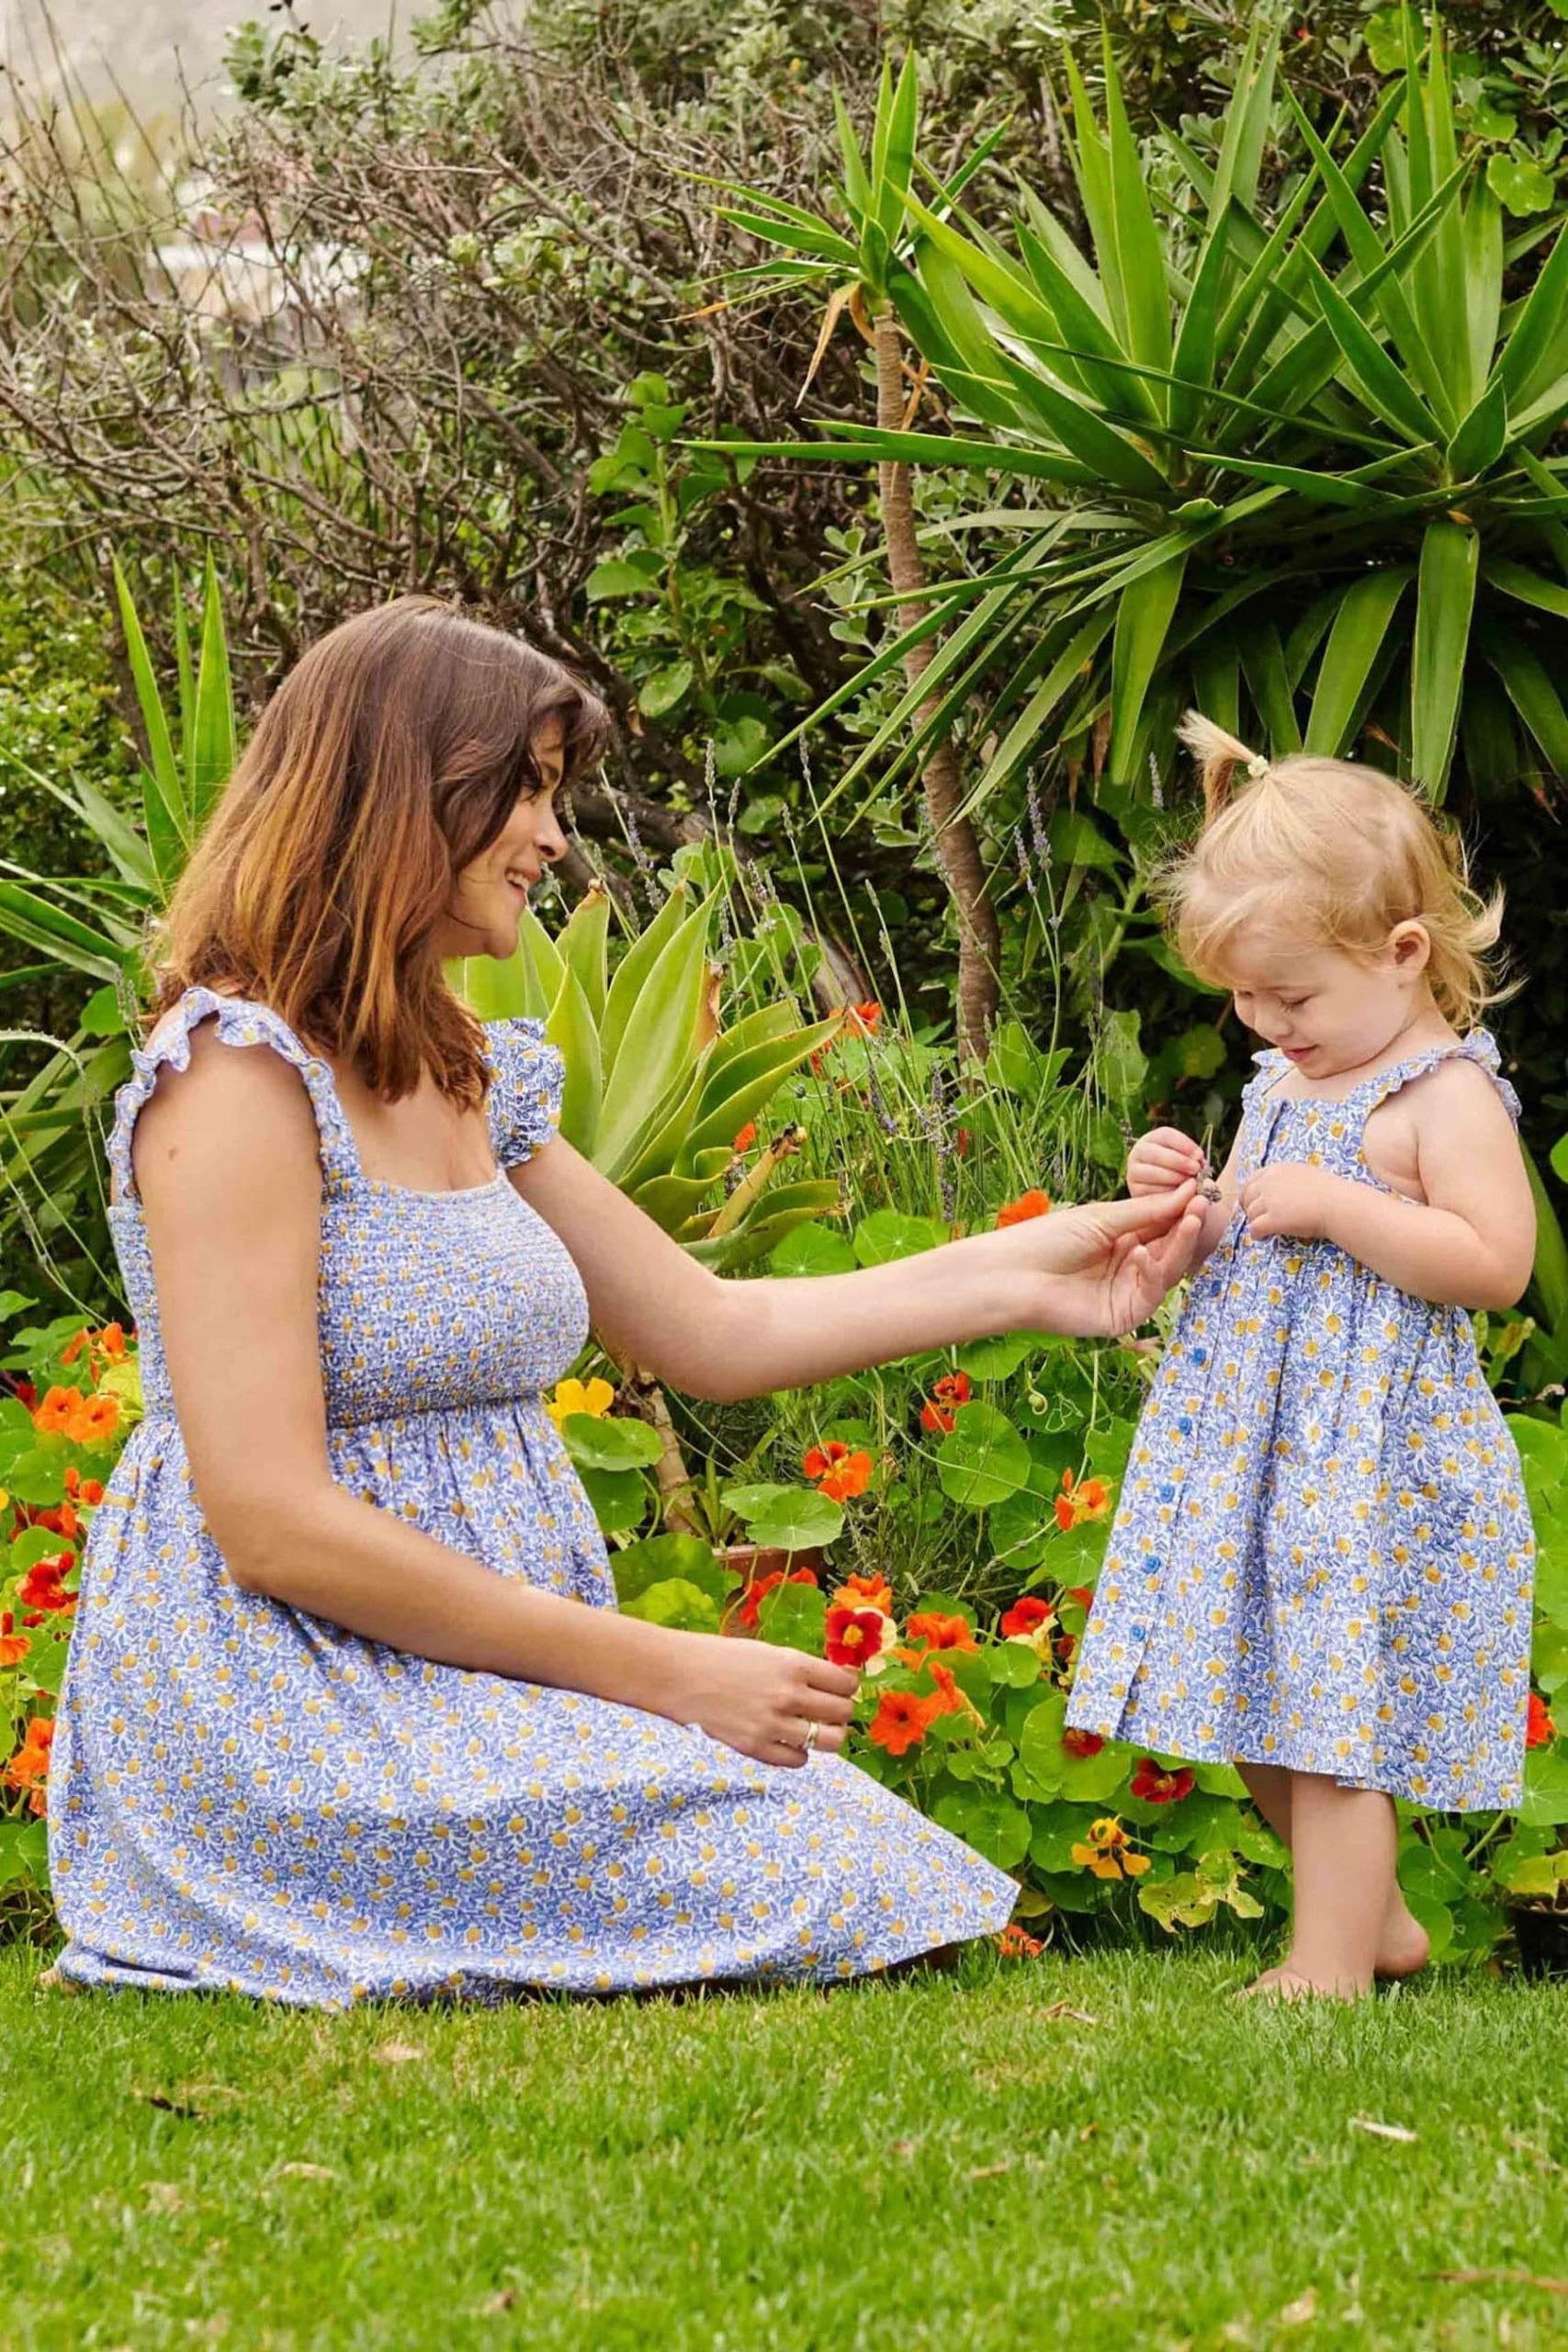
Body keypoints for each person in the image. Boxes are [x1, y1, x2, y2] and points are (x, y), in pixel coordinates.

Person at [47, 598, 1202, 2007]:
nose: (552, 838)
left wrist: (1039, 1269)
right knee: (821, 1870)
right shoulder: (237, 1079)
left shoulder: (465, 1070)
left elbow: (714, 1329)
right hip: (288, 1696)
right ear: (397, 794)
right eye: (524, 792)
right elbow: (270, 1520)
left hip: (494, 1679)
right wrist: (662, 1670)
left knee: (844, 1861)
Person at [1066, 714, 1537, 2001]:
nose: (1265, 1024)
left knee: (1328, 1724)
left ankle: (1327, 1968)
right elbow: (1245, 1227)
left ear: (1402, 953)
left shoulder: (1440, 1095)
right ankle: (1378, 1926)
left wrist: (1341, 1207)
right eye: (1244, 998)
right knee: (1247, 1698)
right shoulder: (1282, 1083)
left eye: (1292, 996)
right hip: (1258, 1449)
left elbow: (1494, 1262)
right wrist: (1185, 1205)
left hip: (1369, 1458)